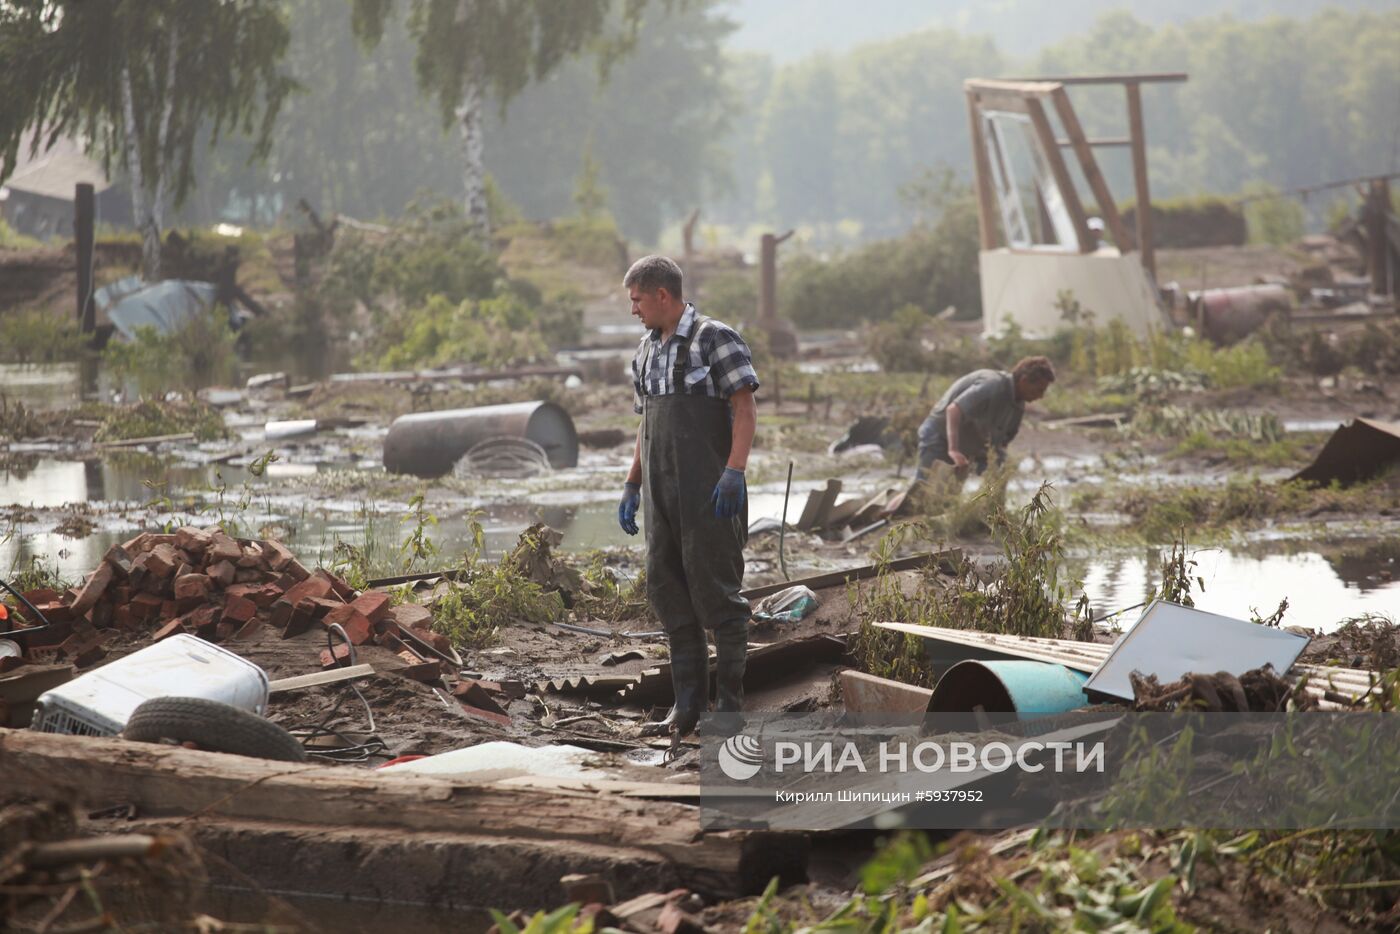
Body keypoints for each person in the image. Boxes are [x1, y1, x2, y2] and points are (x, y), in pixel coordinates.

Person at [616, 255, 759, 740]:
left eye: (637, 299)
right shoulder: (645, 351)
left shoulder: (714, 338)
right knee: (669, 591)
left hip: (711, 493)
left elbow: (744, 408)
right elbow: (646, 424)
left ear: (662, 295)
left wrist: (734, 471)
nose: (633, 309)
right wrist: (633, 484)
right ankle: (686, 707)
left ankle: (731, 710)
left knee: (718, 594)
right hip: (662, 497)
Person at [914, 356, 1055, 482]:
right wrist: (954, 450)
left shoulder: (1017, 406)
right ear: (1024, 381)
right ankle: (894, 507)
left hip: (967, 449)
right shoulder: (992, 385)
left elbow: (1002, 444)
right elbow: (953, 410)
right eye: (1039, 390)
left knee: (947, 500)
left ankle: (991, 507)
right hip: (940, 436)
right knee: (922, 491)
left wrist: (996, 469)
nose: (1040, 396)